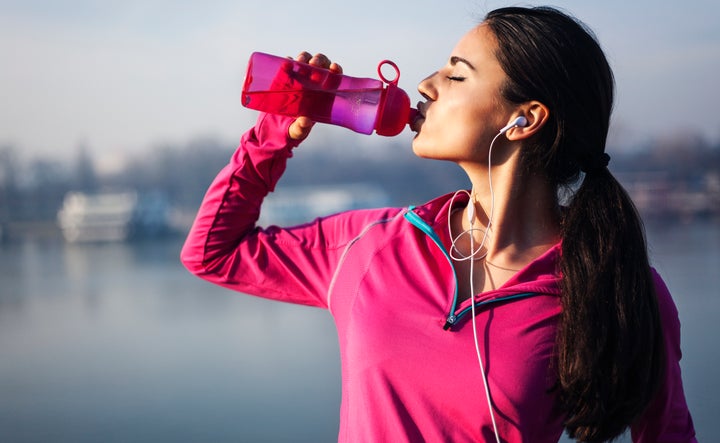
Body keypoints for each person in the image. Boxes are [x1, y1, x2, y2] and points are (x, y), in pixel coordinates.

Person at [181, 6, 697, 442]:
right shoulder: (373, 244)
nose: (424, 84)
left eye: (455, 75)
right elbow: (212, 253)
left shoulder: (615, 285)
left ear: (525, 119)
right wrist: (276, 132)